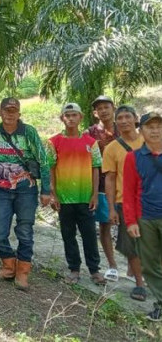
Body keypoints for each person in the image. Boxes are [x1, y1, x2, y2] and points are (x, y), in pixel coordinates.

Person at [0, 98, 50, 290]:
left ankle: (22, 273)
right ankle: (8, 266)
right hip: (1, 189)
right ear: (0, 113)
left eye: (14, 110)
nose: (10, 114)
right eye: (7, 110)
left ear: (19, 113)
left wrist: (46, 190)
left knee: (24, 231)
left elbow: (44, 161)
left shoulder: (28, 132)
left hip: (26, 190)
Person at [47, 103, 106, 286]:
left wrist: (95, 194)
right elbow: (50, 169)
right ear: (62, 118)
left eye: (74, 115)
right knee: (68, 234)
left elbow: (96, 168)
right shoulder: (53, 142)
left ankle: (94, 270)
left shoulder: (91, 142)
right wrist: (53, 194)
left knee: (89, 234)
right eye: (67, 115)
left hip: (85, 197)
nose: (71, 118)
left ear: (81, 118)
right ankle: (74, 269)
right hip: (64, 198)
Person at [102, 105, 146, 301]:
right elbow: (110, 179)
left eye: (128, 117)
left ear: (136, 119)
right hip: (125, 202)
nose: (124, 121)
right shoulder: (112, 148)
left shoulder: (151, 140)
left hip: (152, 201)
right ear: (115, 122)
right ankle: (139, 285)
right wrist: (111, 208)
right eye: (120, 118)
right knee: (132, 246)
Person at [123, 111, 162, 322]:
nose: (155, 131)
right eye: (150, 127)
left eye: (159, 126)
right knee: (149, 265)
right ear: (142, 131)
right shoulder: (133, 157)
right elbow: (128, 191)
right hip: (145, 218)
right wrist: (130, 221)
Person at [86, 95, 120, 281]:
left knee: (129, 227)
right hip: (100, 185)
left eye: (107, 106)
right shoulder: (90, 133)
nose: (104, 110)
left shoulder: (123, 129)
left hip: (123, 185)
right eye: (100, 108)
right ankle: (113, 265)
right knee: (105, 225)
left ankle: (134, 267)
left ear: (113, 108)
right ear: (95, 113)